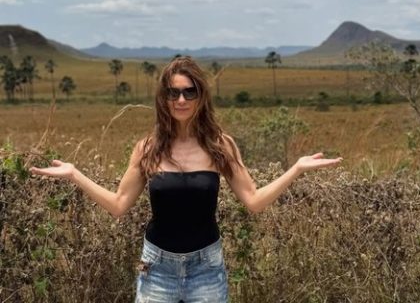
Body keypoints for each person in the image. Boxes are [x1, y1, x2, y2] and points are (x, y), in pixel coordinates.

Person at [30, 56, 342, 303]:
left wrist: (296, 168)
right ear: (163, 98)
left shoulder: (221, 145)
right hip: (156, 268)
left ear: (200, 96)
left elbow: (254, 201)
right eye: (173, 92)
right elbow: (118, 205)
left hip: (206, 267)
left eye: (189, 91)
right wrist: (74, 174)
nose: (181, 99)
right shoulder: (148, 148)